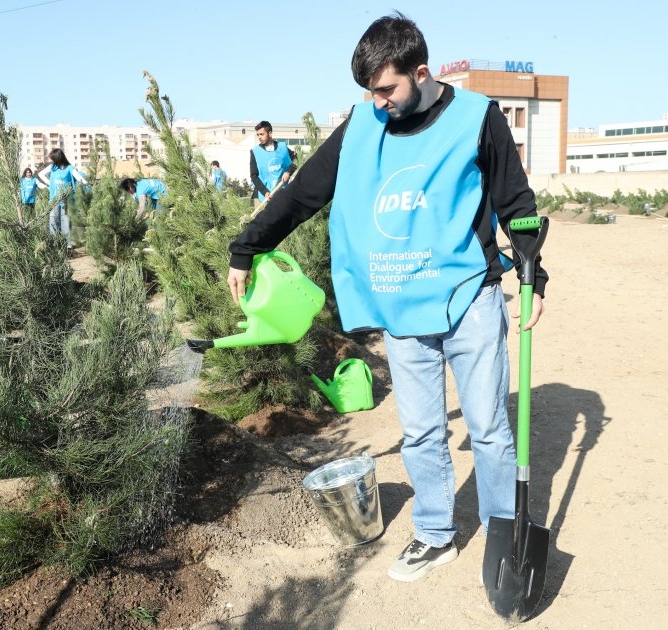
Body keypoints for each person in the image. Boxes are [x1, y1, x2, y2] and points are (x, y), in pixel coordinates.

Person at [227, 12, 548, 583]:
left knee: (490, 427)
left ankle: (503, 530)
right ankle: (434, 534)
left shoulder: (477, 117)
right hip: (402, 306)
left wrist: (533, 273)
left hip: (467, 297)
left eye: (386, 89)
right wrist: (247, 247)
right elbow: (303, 194)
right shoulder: (361, 127)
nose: (377, 102)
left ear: (419, 72)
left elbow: (515, 202)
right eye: (369, 91)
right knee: (421, 431)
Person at [37, 149, 87, 252]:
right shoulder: (52, 167)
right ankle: (55, 244)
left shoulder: (70, 168)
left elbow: (80, 179)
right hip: (54, 200)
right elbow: (40, 174)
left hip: (67, 201)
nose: (52, 161)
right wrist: (49, 183)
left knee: (66, 223)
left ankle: (68, 245)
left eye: (53, 158)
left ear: (58, 158)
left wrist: (89, 183)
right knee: (53, 222)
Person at [249, 121, 297, 208]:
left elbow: (296, 160)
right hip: (262, 197)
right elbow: (253, 176)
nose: (259, 137)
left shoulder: (282, 147)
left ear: (270, 133)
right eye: (258, 135)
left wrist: (288, 172)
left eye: (262, 134)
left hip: (282, 193)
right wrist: (265, 192)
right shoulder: (255, 152)